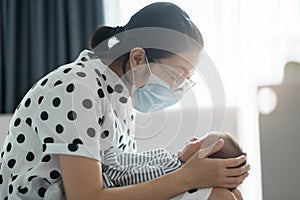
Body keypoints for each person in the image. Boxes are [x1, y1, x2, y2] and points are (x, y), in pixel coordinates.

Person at [0, 2, 249, 200]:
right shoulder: (77, 88)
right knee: (218, 198)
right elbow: (86, 197)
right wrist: (187, 177)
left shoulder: (119, 97)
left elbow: (121, 179)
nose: (178, 88)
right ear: (138, 58)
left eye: (186, 80)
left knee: (231, 195)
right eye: (177, 75)